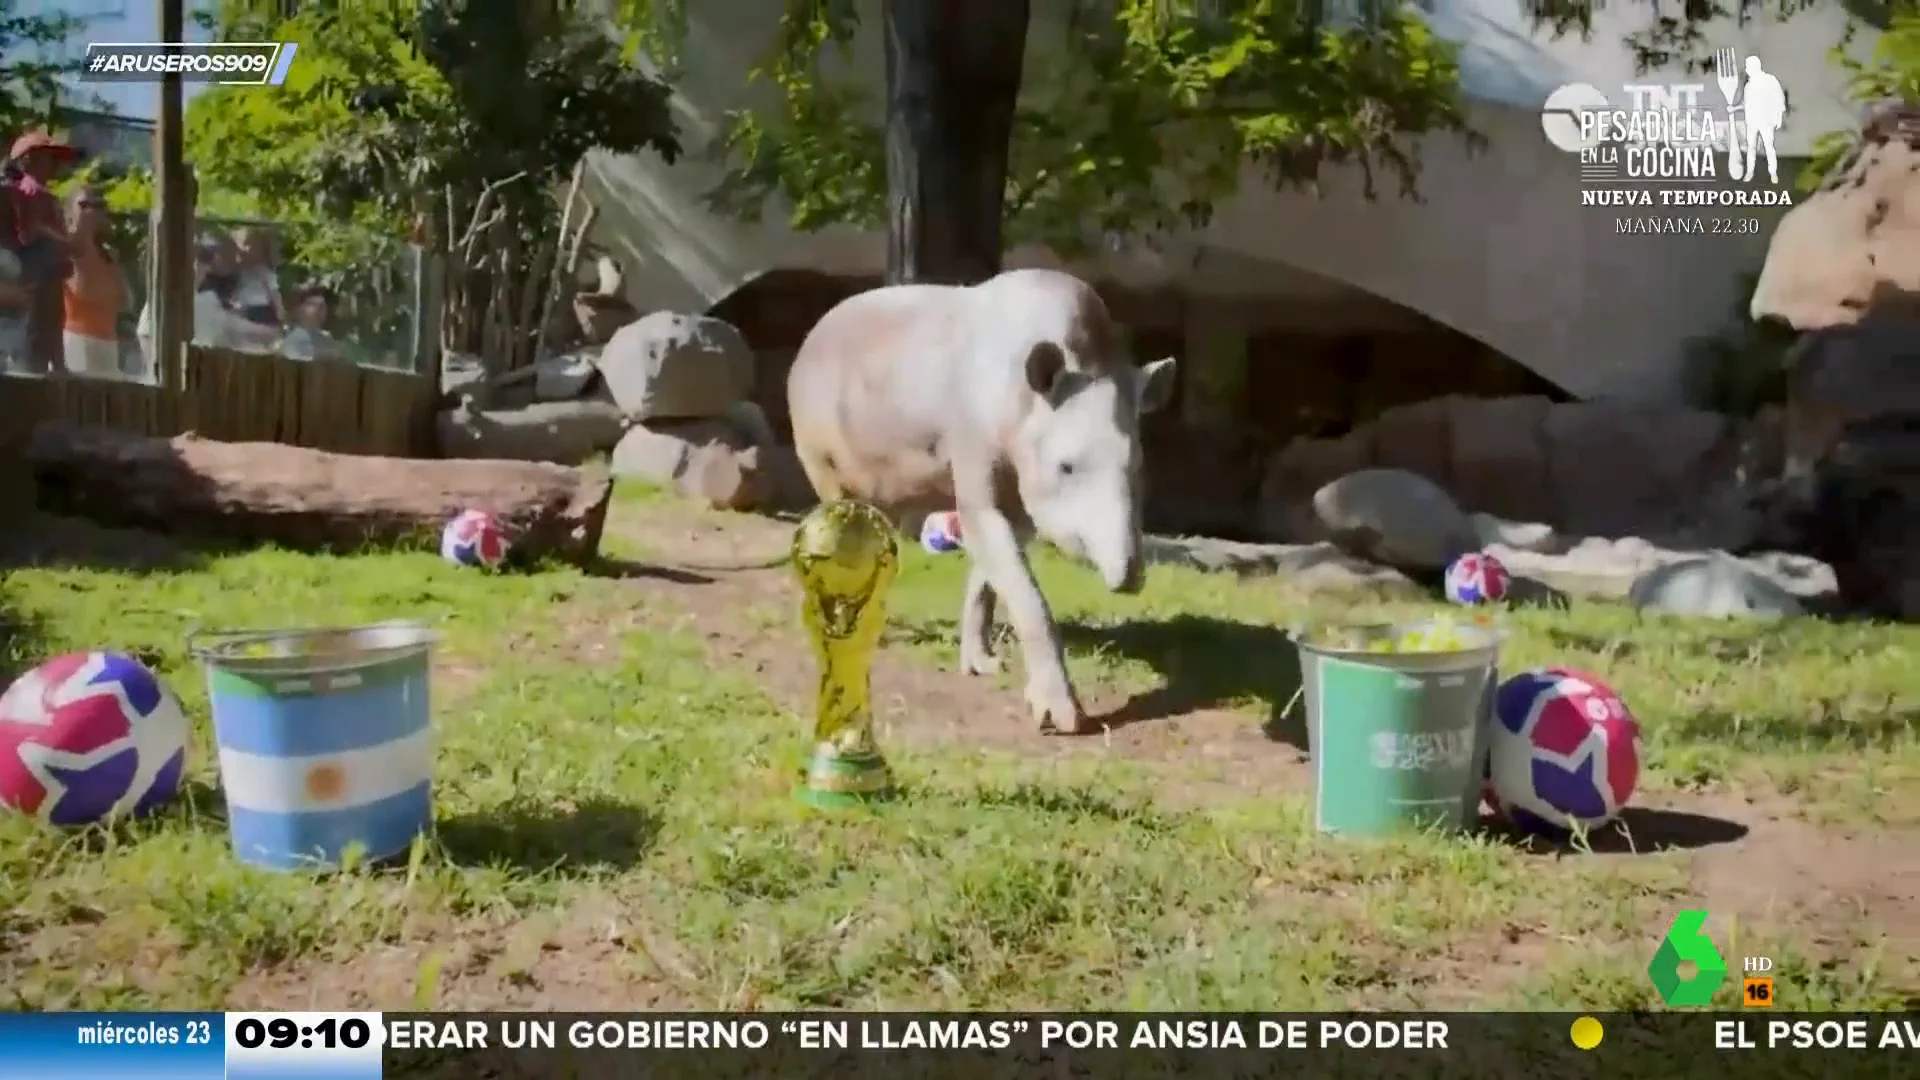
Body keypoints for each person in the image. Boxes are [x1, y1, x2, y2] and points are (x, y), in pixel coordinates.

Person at [1, 130, 80, 372]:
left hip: (45, 279)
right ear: (27, 160)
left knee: (50, 323)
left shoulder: (47, 197)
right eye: (47, 157)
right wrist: (63, 241)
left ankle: (56, 363)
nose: (54, 165)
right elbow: (29, 232)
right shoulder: (28, 191)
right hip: (31, 279)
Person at [61, 186, 129, 379]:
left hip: (108, 344)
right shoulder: (67, 250)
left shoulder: (109, 255)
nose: (91, 210)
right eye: (83, 205)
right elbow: (83, 290)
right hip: (77, 341)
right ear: (70, 212)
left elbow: (125, 301)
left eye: (98, 205)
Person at [230, 225, 285, 335]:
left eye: (252, 246)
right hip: (241, 309)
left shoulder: (264, 271)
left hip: (260, 310)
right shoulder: (240, 271)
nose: (248, 249)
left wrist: (280, 312)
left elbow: (274, 292)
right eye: (245, 245)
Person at [279, 282, 342, 361]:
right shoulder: (291, 340)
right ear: (297, 310)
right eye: (311, 304)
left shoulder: (330, 342)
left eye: (322, 305)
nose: (318, 309)